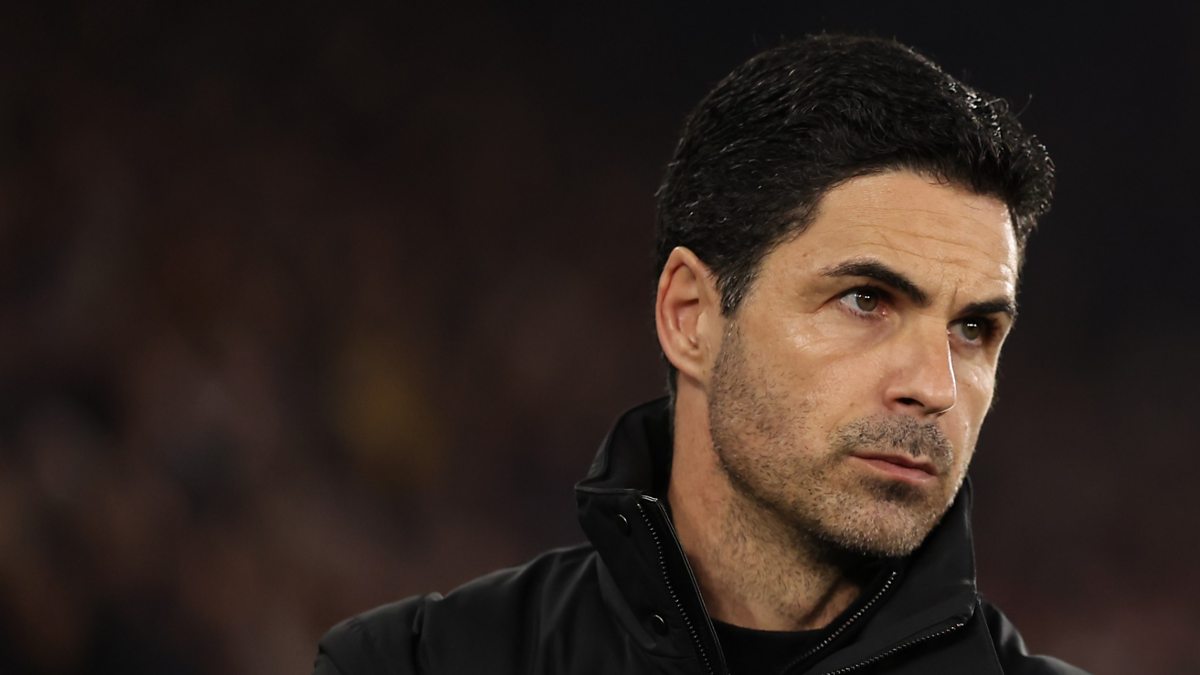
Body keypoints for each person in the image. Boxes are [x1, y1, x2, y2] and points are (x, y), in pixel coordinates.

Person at [312, 34, 1088, 675]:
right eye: (865, 299)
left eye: (973, 329)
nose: (935, 386)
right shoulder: (414, 664)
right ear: (690, 318)